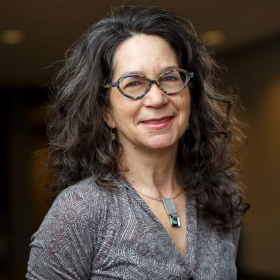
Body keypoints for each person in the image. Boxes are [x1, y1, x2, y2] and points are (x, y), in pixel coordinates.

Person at [26, 5, 249, 280]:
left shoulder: (221, 198)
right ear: (106, 112)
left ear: (191, 95)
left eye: (169, 77)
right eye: (133, 84)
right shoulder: (79, 211)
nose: (157, 99)